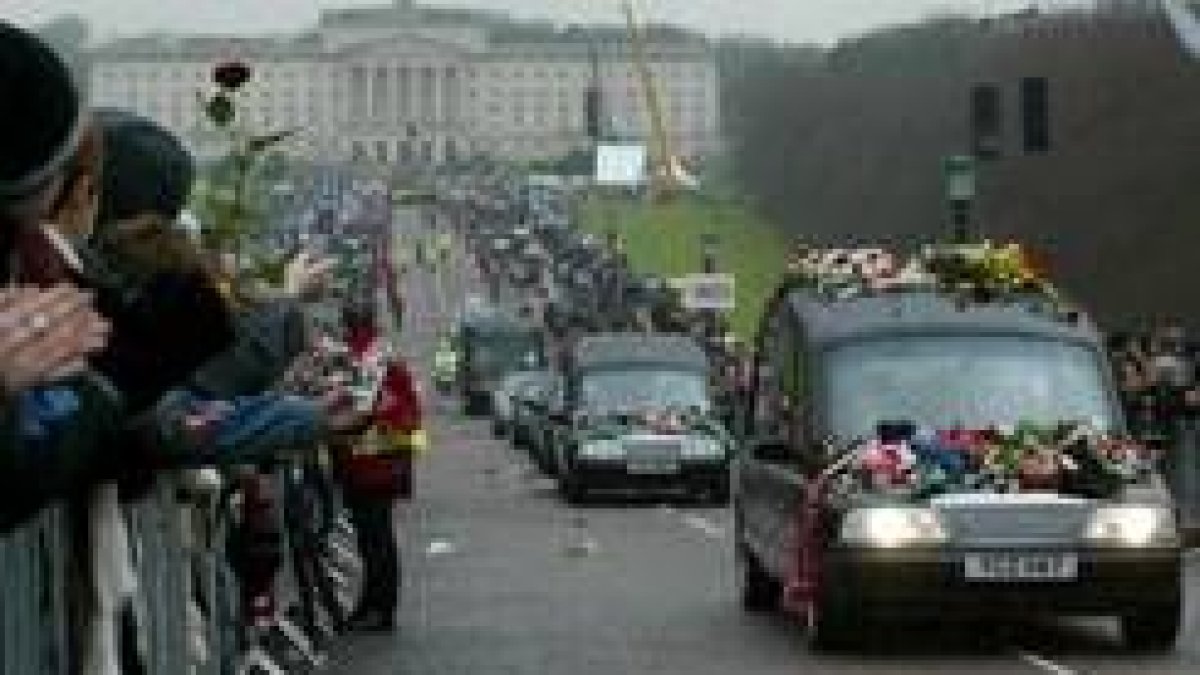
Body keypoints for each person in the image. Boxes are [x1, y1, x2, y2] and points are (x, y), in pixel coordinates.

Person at [336, 300, 425, 632]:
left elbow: (362, 406)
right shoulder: (379, 352)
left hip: (371, 464)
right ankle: (376, 604)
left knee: (376, 540)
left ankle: (380, 606)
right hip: (379, 462)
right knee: (375, 538)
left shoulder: (366, 357)